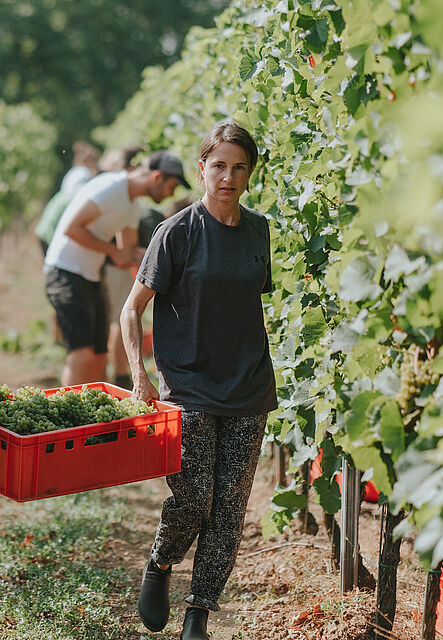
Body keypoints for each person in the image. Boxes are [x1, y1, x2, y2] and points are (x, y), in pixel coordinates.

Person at [121, 122, 277, 640]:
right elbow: (131, 311)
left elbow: (246, 302)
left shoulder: (259, 231)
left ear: (249, 173)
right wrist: (139, 376)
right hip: (187, 386)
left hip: (249, 387)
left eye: (238, 167)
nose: (227, 177)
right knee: (193, 498)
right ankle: (161, 563)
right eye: (218, 166)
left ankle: (199, 613)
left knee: (230, 507)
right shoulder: (176, 232)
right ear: (202, 168)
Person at [43, 150, 188, 386]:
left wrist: (169, 261)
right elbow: (72, 228)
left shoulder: (131, 205)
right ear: (156, 177)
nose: (172, 193)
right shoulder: (111, 188)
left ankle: (92, 415)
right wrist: (111, 251)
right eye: (171, 185)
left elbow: (127, 254)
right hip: (64, 272)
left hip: (90, 276)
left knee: (100, 355)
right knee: (82, 353)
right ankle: (69, 418)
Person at [34, 141, 101, 254]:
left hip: (49, 221)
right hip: (53, 228)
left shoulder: (75, 172)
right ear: (90, 161)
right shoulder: (83, 173)